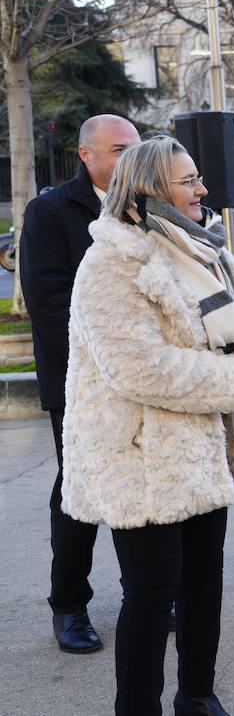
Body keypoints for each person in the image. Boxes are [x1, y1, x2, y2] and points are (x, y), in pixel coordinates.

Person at [62, 136, 234, 714]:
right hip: (142, 458)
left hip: (199, 451)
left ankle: (197, 696)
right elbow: (139, 370)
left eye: (200, 178)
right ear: (152, 190)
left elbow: (229, 334)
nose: (203, 190)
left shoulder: (196, 251)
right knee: (152, 598)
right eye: (189, 181)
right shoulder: (110, 262)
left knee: (205, 586)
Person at [20, 114, 140, 654]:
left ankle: (147, 598)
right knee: (81, 493)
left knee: (141, 490)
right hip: (78, 382)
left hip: (143, 378)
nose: (129, 158)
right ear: (86, 155)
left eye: (136, 148)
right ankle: (69, 606)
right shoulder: (49, 211)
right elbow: (50, 304)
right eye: (119, 149)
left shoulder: (146, 209)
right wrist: (122, 344)